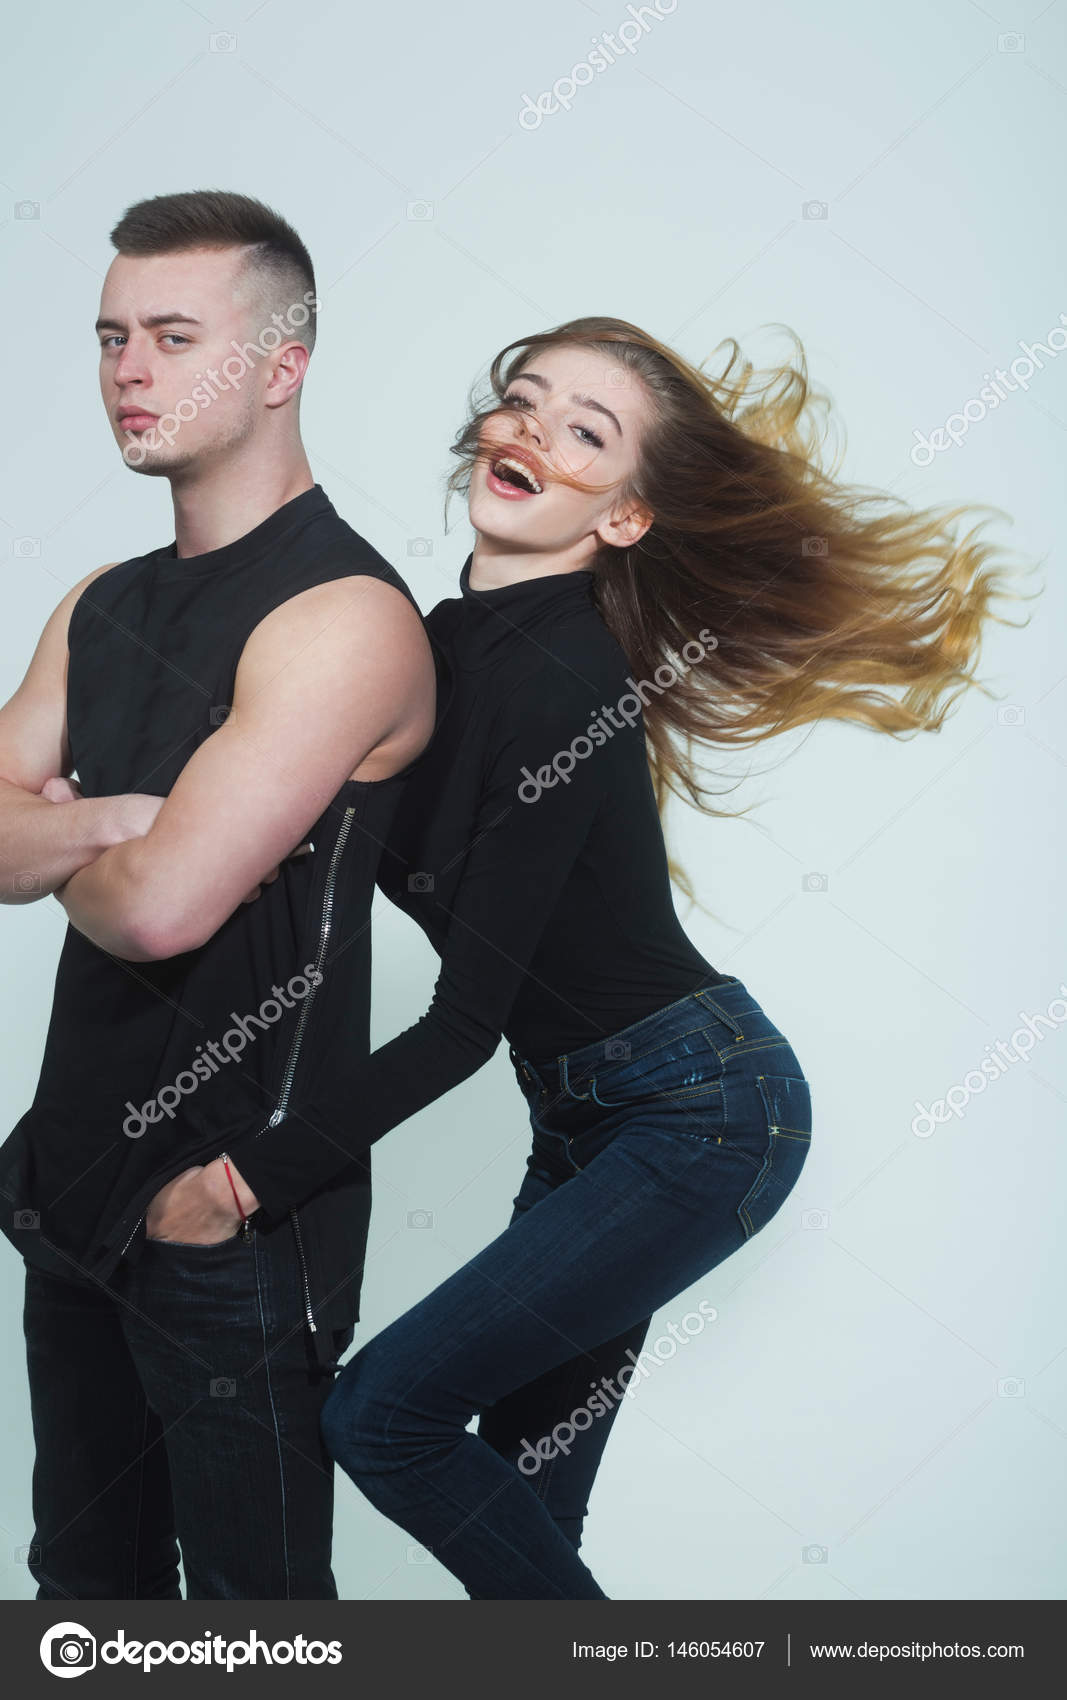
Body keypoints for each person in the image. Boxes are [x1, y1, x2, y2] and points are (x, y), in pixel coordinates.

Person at [229, 317, 1030, 1600]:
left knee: (383, 1416)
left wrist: (246, 1175)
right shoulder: (417, 649)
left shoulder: (566, 676)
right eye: (524, 401)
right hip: (591, 1118)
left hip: (699, 1114)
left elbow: (462, 1023)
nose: (532, 431)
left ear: (623, 518)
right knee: (528, 1500)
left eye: (585, 433)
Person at [0, 189, 437, 1600]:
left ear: (280, 362)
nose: (129, 368)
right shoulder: (101, 602)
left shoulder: (343, 616)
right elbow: (127, 865)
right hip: (69, 1189)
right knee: (85, 1594)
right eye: (112, 336)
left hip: (223, 1213)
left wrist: (62, 837)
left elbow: (161, 914)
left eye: (174, 334)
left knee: (256, 1628)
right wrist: (133, 819)